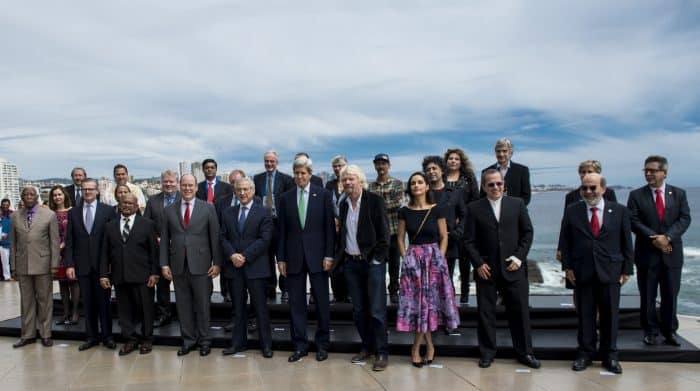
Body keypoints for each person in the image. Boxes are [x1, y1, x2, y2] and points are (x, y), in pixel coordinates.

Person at [464, 169, 539, 369]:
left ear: (504, 184)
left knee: (520, 313)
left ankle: (525, 353)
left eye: (499, 183)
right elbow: (468, 241)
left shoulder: (517, 204)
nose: (495, 187)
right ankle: (487, 352)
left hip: (513, 268)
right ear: (484, 186)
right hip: (486, 269)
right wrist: (478, 263)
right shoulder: (473, 208)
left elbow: (527, 233)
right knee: (486, 313)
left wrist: (519, 257)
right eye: (491, 184)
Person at [561, 173, 633, 374]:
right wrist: (567, 268)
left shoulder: (619, 211)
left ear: (603, 188)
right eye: (584, 188)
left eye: (593, 188)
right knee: (585, 316)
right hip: (582, 272)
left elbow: (626, 241)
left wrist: (627, 269)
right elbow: (565, 241)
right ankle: (585, 353)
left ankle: (610, 356)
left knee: (610, 316)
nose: (588, 192)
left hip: (610, 272)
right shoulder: (572, 211)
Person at [396, 172, 459, 367]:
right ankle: (429, 347)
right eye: (413, 183)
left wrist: (439, 258)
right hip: (413, 262)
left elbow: (444, 235)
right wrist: (406, 257)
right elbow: (400, 238)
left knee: (429, 305)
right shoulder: (404, 211)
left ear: (426, 186)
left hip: (434, 261)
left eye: (420, 182)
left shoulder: (437, 209)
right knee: (419, 305)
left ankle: (416, 348)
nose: (416, 185)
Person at [627, 155, 691, 347]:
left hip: (672, 252)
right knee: (647, 294)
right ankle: (650, 331)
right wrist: (656, 238)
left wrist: (668, 237)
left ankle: (670, 331)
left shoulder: (679, 194)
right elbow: (633, 221)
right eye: (646, 170)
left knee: (671, 293)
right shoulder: (636, 195)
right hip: (647, 253)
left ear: (664, 172)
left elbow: (684, 219)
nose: (648, 174)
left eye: (653, 170)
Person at [277, 156, 335, 362]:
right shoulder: (285, 198)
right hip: (292, 258)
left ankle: (322, 345)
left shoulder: (324, 195)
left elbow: (330, 229)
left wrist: (329, 254)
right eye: (296, 173)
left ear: (310, 175)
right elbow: (281, 231)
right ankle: (299, 346)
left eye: (303, 173)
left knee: (321, 303)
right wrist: (280, 258)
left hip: (319, 258)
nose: (300, 176)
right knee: (296, 304)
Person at [160, 174, 222, 356]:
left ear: (196, 188)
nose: (187, 188)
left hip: (202, 265)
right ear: (180, 187)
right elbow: (164, 239)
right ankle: (188, 340)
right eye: (184, 185)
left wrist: (217, 262)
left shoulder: (208, 208)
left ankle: (204, 340)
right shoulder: (169, 210)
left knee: (202, 305)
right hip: (178, 265)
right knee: (183, 305)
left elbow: (215, 237)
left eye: (191, 185)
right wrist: (164, 264)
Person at [336, 165, 390, 371]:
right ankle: (367, 347)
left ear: (360, 180)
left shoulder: (374, 201)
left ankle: (382, 352)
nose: (348, 183)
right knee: (359, 311)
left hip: (372, 264)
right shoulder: (343, 205)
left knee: (376, 310)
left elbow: (385, 236)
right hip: (351, 263)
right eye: (345, 180)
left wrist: (377, 260)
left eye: (351, 179)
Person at [220, 177, 274, 358]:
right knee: (238, 308)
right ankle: (238, 343)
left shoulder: (264, 212)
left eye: (246, 189)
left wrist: (245, 256)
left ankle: (266, 345)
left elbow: (265, 239)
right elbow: (223, 237)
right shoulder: (228, 212)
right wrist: (232, 255)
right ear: (235, 191)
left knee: (260, 308)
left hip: (255, 267)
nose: (242, 193)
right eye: (239, 190)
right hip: (234, 268)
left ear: (252, 191)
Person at [100, 194, 160, 355]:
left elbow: (154, 252)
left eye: (129, 203)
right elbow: (104, 252)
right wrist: (104, 274)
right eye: (123, 203)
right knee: (124, 310)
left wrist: (155, 273)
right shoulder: (110, 226)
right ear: (119, 205)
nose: (126, 205)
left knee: (146, 309)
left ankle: (147, 339)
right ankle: (130, 339)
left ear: (136, 205)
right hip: (120, 275)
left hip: (143, 275)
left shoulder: (147, 224)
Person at [65, 178, 117, 351]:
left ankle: (107, 336)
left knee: (104, 303)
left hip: (102, 266)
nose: (87, 192)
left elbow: (112, 241)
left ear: (97, 191)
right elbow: (70, 240)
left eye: (90, 189)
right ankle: (91, 336)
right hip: (82, 265)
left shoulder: (108, 211)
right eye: (84, 189)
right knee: (87, 303)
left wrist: (110, 264)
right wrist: (70, 264)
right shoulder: (73, 213)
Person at [10, 186, 60, 348]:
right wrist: (13, 266)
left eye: (32, 194)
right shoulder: (15, 216)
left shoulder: (49, 215)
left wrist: (54, 265)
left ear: (37, 196)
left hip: (43, 265)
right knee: (26, 302)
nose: (29, 196)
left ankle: (46, 334)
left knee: (45, 301)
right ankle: (28, 334)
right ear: (22, 198)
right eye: (26, 194)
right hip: (23, 265)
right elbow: (13, 243)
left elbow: (54, 242)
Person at [423, 155, 466, 313]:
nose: (431, 171)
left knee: (446, 282)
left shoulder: (454, 192)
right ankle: (432, 318)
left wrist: (457, 232)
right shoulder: (423, 192)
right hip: (427, 245)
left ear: (442, 170)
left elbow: (464, 215)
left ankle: (450, 318)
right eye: (428, 169)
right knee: (429, 283)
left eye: (434, 168)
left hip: (449, 242)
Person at [253, 150, 295, 300]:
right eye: (267, 161)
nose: (269, 164)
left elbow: (290, 202)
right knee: (267, 257)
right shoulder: (257, 179)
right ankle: (270, 288)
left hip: (280, 223)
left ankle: (285, 289)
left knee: (283, 256)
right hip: (264, 223)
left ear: (277, 162)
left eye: (272, 161)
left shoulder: (286, 179)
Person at [143, 169, 180, 328]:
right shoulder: (153, 201)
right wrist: (155, 238)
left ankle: (185, 314)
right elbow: (146, 224)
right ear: (161, 183)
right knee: (163, 286)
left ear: (177, 183)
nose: (168, 184)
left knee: (182, 284)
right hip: (159, 249)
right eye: (165, 181)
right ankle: (164, 314)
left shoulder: (185, 199)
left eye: (171, 181)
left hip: (181, 249)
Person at [444, 148, 479, 303]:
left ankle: (464, 293)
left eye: (456, 159)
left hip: (465, 225)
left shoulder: (468, 178)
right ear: (446, 161)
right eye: (450, 158)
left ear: (461, 161)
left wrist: (462, 216)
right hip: (445, 226)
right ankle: (449, 293)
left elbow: (475, 199)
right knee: (447, 262)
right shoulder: (442, 177)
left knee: (465, 261)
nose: (453, 161)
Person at [368, 153, 403, 304]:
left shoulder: (397, 183)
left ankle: (394, 290)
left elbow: (398, 203)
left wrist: (378, 207)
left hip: (394, 231)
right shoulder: (370, 186)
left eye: (383, 163)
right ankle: (379, 291)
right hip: (377, 234)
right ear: (374, 165)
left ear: (389, 165)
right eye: (378, 163)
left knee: (395, 264)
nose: (381, 166)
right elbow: (368, 209)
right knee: (378, 263)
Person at [48, 186, 80, 325]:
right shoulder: (50, 214)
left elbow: (75, 232)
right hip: (56, 253)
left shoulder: (73, 211)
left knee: (73, 282)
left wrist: (64, 245)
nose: (57, 197)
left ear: (64, 195)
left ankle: (75, 312)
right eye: (54, 195)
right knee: (62, 284)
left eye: (59, 194)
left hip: (71, 251)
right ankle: (65, 312)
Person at [325, 155, 349, 303]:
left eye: (340, 165)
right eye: (335, 166)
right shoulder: (329, 185)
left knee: (348, 261)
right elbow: (326, 204)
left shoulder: (350, 182)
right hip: (334, 228)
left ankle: (349, 293)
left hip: (349, 228)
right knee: (334, 261)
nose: (337, 168)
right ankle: (337, 294)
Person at [480, 138, 531, 205]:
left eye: (504, 151)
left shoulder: (522, 170)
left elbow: (526, 197)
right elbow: (482, 196)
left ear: (510, 153)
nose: (501, 154)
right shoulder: (486, 171)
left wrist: (513, 210)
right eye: (498, 151)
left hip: (516, 213)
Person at [1, 198, 13, 281]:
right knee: (5, 261)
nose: (5, 206)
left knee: (9, 261)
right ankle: (7, 277)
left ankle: (9, 276)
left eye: (7, 204)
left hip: (10, 241)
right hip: (2, 243)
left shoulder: (12, 214)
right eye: (4, 204)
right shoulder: (0, 214)